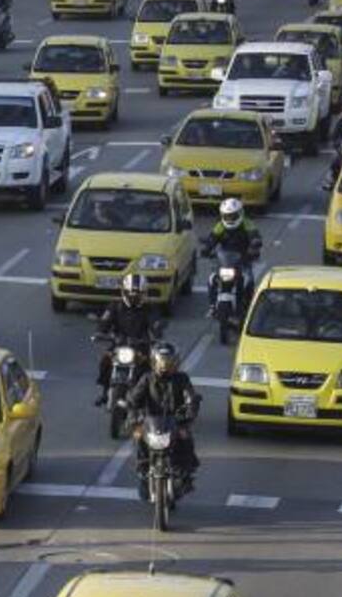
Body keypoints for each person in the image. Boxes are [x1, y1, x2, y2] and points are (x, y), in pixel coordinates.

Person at [125, 343, 201, 501]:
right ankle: (143, 473)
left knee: (186, 437)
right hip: (151, 422)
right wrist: (133, 414)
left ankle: (185, 474)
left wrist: (191, 407)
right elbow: (133, 399)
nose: (165, 366)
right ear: (154, 362)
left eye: (169, 362)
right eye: (162, 362)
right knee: (138, 435)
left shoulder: (182, 378)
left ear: (175, 362)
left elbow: (190, 396)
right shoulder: (147, 378)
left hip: (176, 421)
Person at [94, 273, 165, 406]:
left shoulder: (149, 309)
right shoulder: (115, 306)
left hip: (141, 346)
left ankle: (152, 398)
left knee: (153, 369)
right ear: (124, 292)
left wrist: (157, 330)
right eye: (131, 295)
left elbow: (155, 323)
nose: (134, 298)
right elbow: (104, 322)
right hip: (118, 345)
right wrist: (101, 331)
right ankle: (105, 392)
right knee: (105, 361)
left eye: (137, 295)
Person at [201, 198, 262, 317]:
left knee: (249, 280)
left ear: (240, 214)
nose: (230, 219)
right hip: (225, 260)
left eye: (233, 216)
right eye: (227, 216)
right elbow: (212, 238)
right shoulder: (220, 226)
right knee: (212, 278)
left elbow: (254, 235)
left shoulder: (247, 223)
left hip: (243, 258)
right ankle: (213, 306)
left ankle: (249, 307)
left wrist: (255, 243)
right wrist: (207, 248)